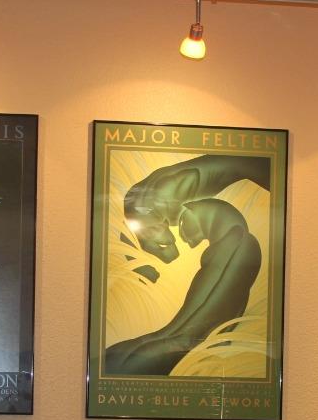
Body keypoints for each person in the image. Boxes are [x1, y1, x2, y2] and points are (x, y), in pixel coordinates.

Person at [104, 154, 270, 376]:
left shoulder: (162, 199)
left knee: (181, 338)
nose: (186, 244)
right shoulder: (159, 201)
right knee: (179, 337)